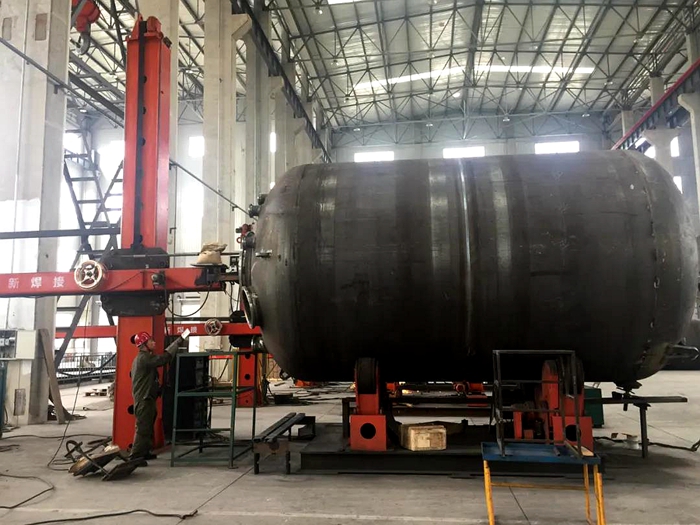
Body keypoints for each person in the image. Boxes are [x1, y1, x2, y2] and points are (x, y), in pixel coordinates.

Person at [128, 330, 187, 461]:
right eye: (150, 341)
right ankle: (135, 456)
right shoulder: (143, 358)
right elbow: (163, 359)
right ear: (144, 344)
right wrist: (178, 342)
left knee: (148, 426)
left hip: (148, 398)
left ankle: (145, 452)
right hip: (144, 399)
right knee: (143, 427)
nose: (153, 342)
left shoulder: (144, 357)